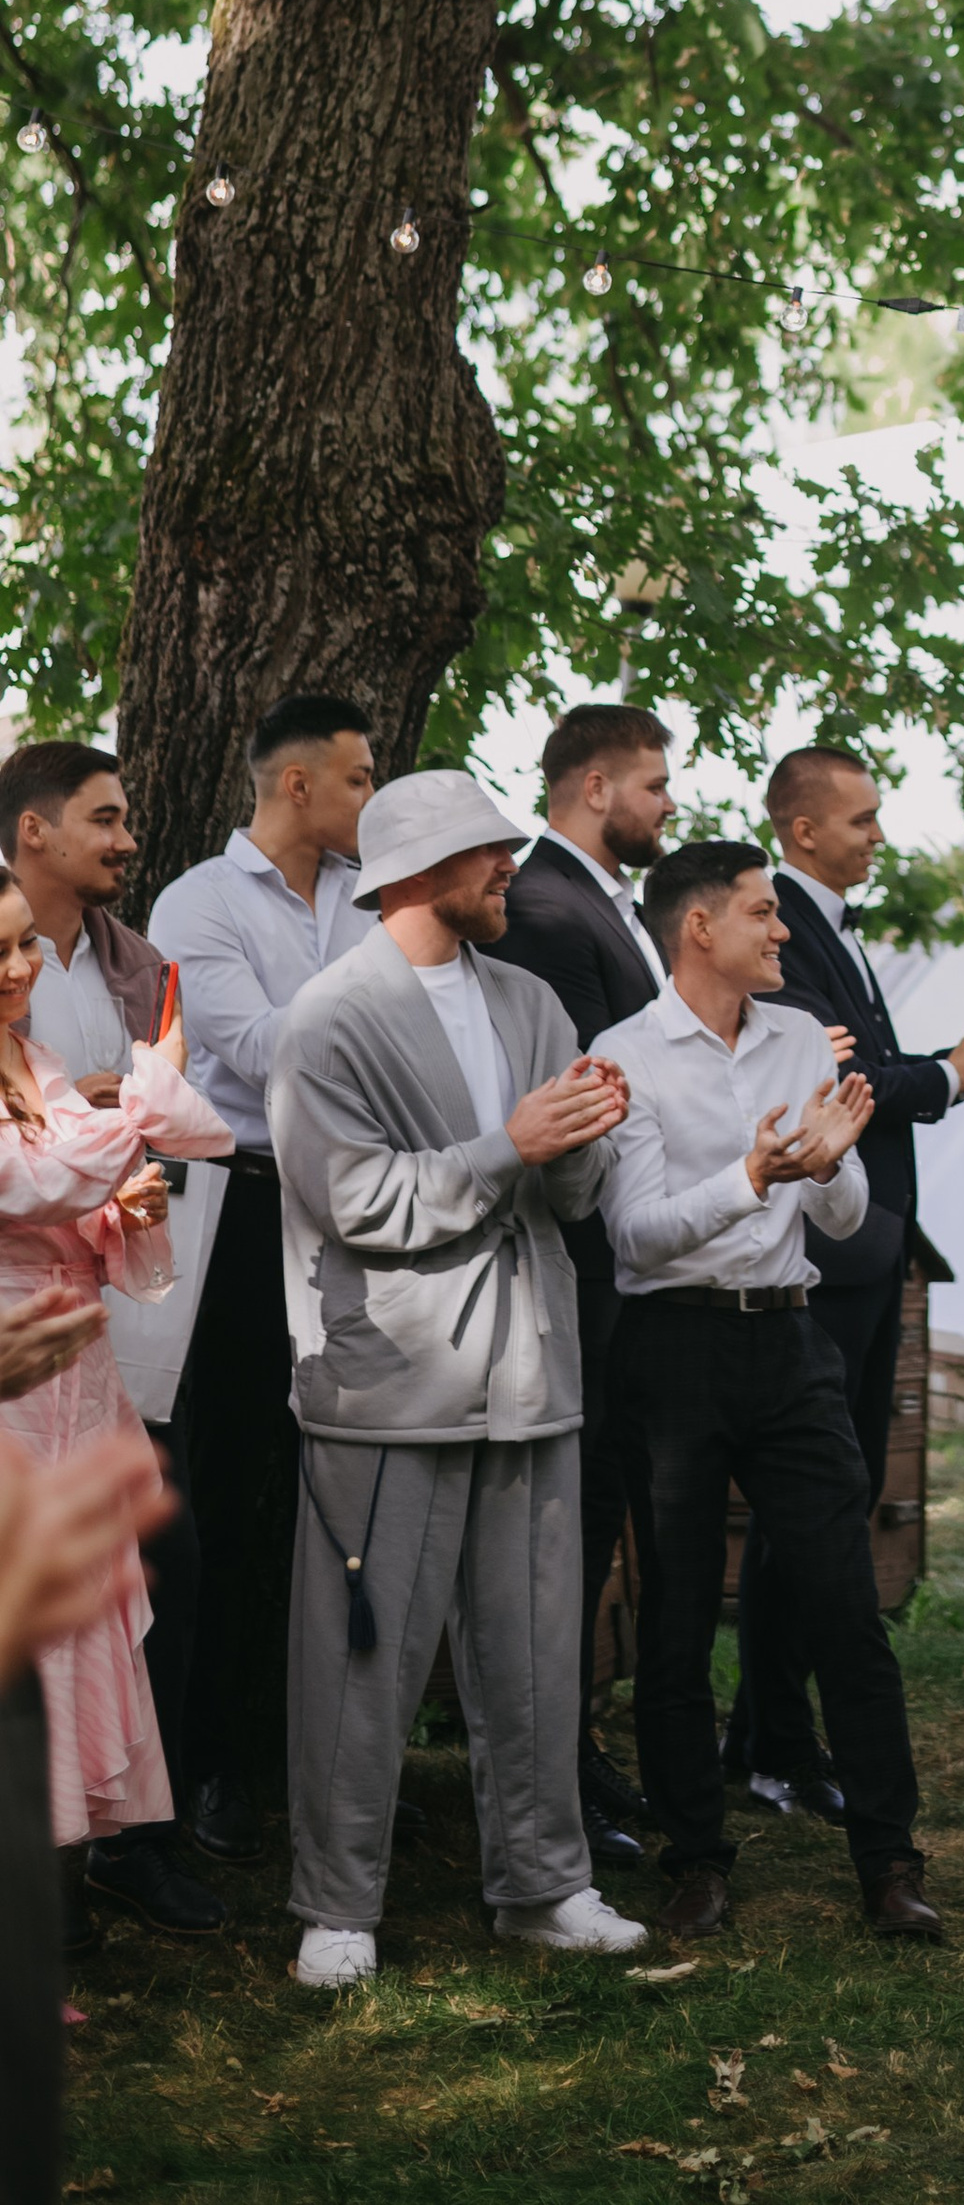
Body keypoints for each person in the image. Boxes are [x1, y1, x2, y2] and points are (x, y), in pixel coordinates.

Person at [266, 766, 641, 1987]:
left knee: (538, 1649)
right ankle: (337, 1905)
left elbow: (570, 1195)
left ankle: (544, 1885)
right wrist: (510, 1144)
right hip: (390, 1384)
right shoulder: (328, 1018)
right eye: (490, 853)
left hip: (532, 1367)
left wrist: (587, 1136)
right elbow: (357, 1199)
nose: (510, 873)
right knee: (362, 1658)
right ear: (423, 871)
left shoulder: (532, 997)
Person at [592, 839, 933, 1947]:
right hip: (673, 1353)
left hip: (789, 1346)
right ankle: (694, 1859)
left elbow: (843, 1216)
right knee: (680, 1618)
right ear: (699, 927)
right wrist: (753, 1176)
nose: (781, 930)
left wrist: (829, 1164)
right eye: (760, 912)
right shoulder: (624, 1055)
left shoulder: (798, 1039)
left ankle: (889, 1861)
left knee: (845, 1606)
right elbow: (636, 1235)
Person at [734, 743, 964, 1814]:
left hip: (864, 1249)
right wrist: (962, 1068)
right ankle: (775, 1739)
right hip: (821, 1257)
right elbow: (849, 1080)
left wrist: (937, 1058)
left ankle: (774, 1732)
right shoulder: (778, 923)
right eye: (861, 819)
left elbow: (857, 1059)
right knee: (811, 1505)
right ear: (803, 829)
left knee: (841, 1495)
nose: (879, 834)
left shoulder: (830, 926)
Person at [149, 691, 375, 1861]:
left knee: (315, 1493)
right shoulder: (197, 902)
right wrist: (379, 1023)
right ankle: (205, 1772)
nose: (370, 801)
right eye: (358, 779)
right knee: (227, 1489)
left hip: (345, 1217)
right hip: (232, 1217)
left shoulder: (361, 899)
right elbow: (263, 1051)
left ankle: (291, 1751)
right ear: (298, 786)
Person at [2, 738, 218, 1935]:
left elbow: (102, 1177)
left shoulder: (88, 1013)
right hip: (9, 1372)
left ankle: (94, 1851)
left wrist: (120, 1194)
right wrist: (138, 1100)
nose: (21, 967)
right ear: (32, 830)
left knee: (116, 1600)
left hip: (94, 1357)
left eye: (23, 948)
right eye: (105, 816)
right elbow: (27, 1175)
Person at [486, 702, 678, 1873]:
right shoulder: (552, 912)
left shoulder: (601, 905)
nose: (668, 804)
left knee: (599, 1515)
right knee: (577, 1517)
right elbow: (595, 1083)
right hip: (592, 1254)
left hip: (630, 1251)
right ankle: (552, 1764)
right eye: (655, 784)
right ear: (595, 786)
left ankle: (580, 1746)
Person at [0, 1355, 171, 2205]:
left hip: (67, 1362)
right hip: (17, 1361)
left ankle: (25, 1959)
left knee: (60, 1635)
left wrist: (115, 1220)